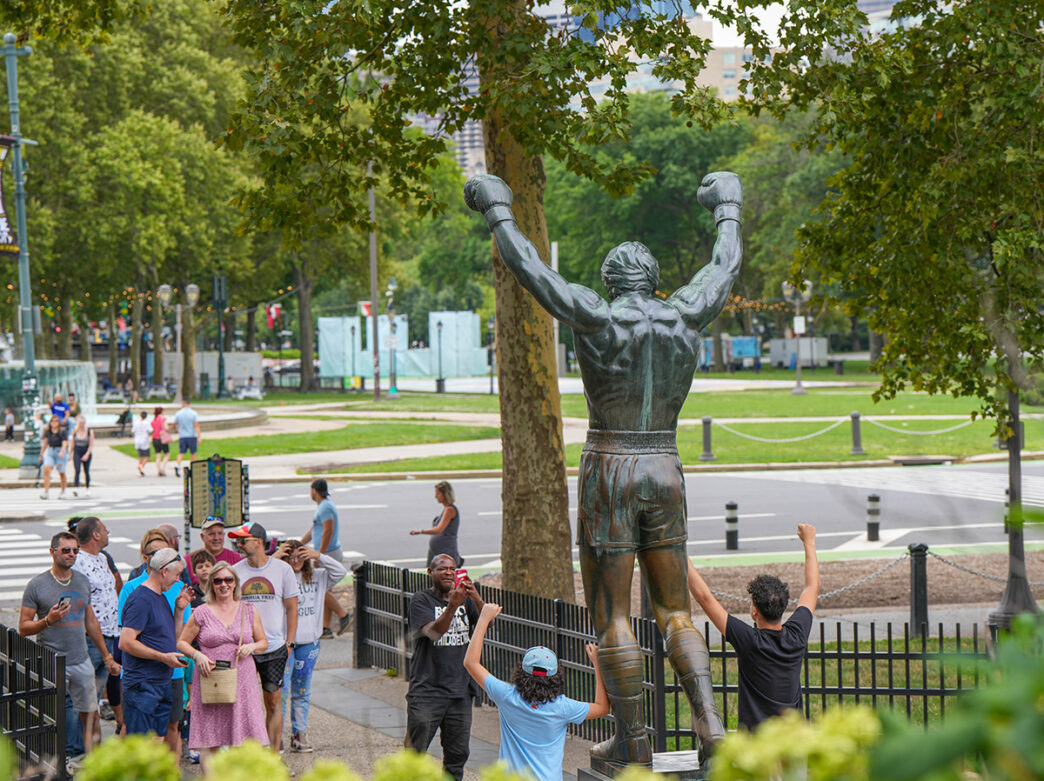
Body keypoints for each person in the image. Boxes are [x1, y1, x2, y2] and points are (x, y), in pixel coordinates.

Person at [465, 172, 742, 769]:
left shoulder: (598, 318)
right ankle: (712, 727)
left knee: (614, 615)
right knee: (675, 611)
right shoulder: (683, 316)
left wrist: (498, 212)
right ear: (655, 281)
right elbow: (724, 267)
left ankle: (636, 742)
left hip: (611, 464)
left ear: (613, 281)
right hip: (665, 462)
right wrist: (728, 206)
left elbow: (535, 273)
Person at [687, 524, 819, 731]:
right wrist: (809, 543)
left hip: (757, 749)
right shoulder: (797, 635)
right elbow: (812, 587)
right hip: (793, 744)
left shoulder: (749, 641)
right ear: (783, 606)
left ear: (755, 611)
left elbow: (705, 598)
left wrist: (678, 552)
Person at [464, 604, 610, 781]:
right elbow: (602, 707)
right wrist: (597, 664)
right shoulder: (563, 707)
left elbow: (471, 663)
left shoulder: (506, 696)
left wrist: (484, 619)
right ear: (556, 677)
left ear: (521, 672)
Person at [19, 532, 120, 754]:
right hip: (53, 660)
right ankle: (67, 756)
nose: (71, 554)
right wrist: (48, 620)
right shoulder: (37, 585)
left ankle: (90, 758)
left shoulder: (82, 580)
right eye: (66, 550)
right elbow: (23, 627)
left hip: (81, 658)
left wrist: (107, 655)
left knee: (89, 709)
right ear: (52, 551)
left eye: (75, 550)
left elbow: (90, 620)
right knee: (62, 711)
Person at [177, 562, 269, 758]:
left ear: (235, 583)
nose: (223, 584)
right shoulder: (201, 612)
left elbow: (263, 643)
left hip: (243, 679)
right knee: (210, 740)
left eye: (228, 579)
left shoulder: (249, 610)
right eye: (218, 581)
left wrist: (252, 646)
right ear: (212, 585)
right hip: (212, 678)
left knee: (245, 739)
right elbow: (182, 643)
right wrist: (197, 654)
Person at [405, 553, 484, 781]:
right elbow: (433, 632)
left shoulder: (466, 600)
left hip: (460, 692)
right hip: (428, 693)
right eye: (442, 568)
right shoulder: (421, 600)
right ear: (430, 573)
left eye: (452, 568)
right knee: (414, 755)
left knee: (457, 756)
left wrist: (476, 597)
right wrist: (452, 605)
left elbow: (486, 624)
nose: (448, 572)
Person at [229, 522, 299, 753]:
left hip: (274, 647)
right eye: (237, 540)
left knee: (273, 702)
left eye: (243, 540)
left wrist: (289, 642)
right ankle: (248, 753)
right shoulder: (235, 571)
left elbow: (291, 608)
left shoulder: (282, 569)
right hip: (243, 648)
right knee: (243, 705)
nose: (238, 545)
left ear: (259, 541)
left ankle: (274, 754)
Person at [118, 538, 192, 753]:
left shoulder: (160, 595)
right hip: (143, 684)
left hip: (161, 681)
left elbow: (172, 638)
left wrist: (179, 610)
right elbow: (126, 642)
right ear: (163, 571)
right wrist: (162, 657)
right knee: (141, 747)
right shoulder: (140, 598)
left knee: (157, 742)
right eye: (177, 574)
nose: (179, 579)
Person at [273, 540, 347, 752]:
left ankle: (299, 733)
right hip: (283, 644)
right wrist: (276, 557)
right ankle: (276, 737)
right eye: (291, 557)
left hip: (308, 644)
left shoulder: (318, 576)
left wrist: (317, 555)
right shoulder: (278, 576)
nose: (295, 561)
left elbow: (340, 571)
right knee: (281, 691)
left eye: (300, 556)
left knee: (302, 690)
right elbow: (258, 575)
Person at [71, 518, 123, 738]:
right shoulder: (77, 562)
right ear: (95, 535)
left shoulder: (103, 558)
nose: (108, 531)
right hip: (91, 639)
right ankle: (76, 749)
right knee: (84, 698)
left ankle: (92, 745)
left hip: (111, 634)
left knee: (96, 694)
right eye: (104, 529)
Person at [301, 479, 351, 638]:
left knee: (319, 588)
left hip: (328, 552)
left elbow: (328, 531)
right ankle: (326, 628)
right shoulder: (323, 507)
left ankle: (343, 615)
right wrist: (297, 544)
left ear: (314, 491)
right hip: (326, 552)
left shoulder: (325, 508)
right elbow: (313, 530)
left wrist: (319, 555)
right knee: (325, 589)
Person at [409, 481, 461, 567]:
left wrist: (420, 531)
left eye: (438, 494)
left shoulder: (450, 510)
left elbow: (439, 529)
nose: (435, 496)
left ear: (445, 494)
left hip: (446, 553)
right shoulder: (446, 509)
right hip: (439, 553)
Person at [186, 517, 242, 586]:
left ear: (224, 535)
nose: (216, 538)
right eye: (211, 534)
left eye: (220, 533)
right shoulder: (188, 561)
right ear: (202, 537)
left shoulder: (238, 559)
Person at [39, 413, 69, 500]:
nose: (54, 423)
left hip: (59, 452)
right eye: (52, 421)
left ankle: (63, 492)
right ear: (50, 422)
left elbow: (65, 443)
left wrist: (62, 452)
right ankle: (46, 492)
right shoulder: (48, 432)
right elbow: (45, 444)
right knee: (46, 469)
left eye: (56, 421)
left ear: (59, 422)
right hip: (51, 451)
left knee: (62, 472)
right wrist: (41, 454)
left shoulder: (62, 431)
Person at [173, 398, 201, 478]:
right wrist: (199, 436)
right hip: (192, 436)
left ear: (183, 403)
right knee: (193, 453)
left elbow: (174, 424)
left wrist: (176, 430)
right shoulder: (193, 413)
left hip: (182, 435)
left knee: (181, 452)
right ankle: (193, 468)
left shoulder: (178, 413)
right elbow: (196, 425)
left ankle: (177, 465)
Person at [70, 414, 94, 498]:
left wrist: (87, 454)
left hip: (86, 451)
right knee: (77, 469)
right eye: (80, 423)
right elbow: (73, 443)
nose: (81, 424)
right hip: (77, 451)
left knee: (86, 471)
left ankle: (87, 488)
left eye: (83, 423)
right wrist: (70, 454)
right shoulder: (75, 431)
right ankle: (76, 487)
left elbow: (91, 445)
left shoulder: (89, 431)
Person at [151, 407, 171, 477]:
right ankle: (162, 468)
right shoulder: (163, 419)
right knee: (167, 454)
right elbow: (166, 428)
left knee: (158, 456)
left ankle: (158, 470)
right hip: (162, 439)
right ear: (161, 412)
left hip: (154, 439)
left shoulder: (154, 419)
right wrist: (168, 430)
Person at [133, 411, 151, 477]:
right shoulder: (147, 423)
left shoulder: (136, 422)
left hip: (137, 440)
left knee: (140, 456)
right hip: (144, 441)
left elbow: (133, 431)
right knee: (147, 456)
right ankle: (141, 466)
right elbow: (150, 430)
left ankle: (141, 471)